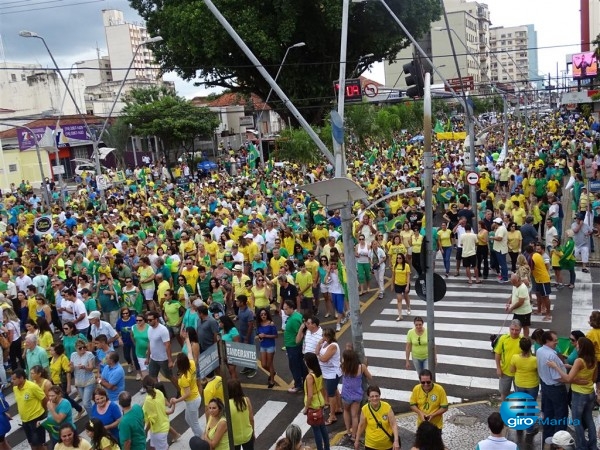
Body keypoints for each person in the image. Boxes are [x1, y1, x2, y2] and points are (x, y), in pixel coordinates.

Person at [547, 337, 597, 450]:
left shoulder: (579, 361)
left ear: (582, 347)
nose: (576, 346)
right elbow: (593, 378)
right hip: (590, 393)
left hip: (579, 395)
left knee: (577, 421)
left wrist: (556, 367)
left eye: (578, 345)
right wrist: (570, 367)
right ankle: (593, 445)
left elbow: (568, 378)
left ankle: (582, 446)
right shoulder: (593, 360)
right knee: (589, 419)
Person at [536, 330, 569, 441]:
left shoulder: (539, 351)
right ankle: (560, 440)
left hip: (545, 386)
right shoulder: (552, 356)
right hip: (556, 388)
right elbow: (558, 377)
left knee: (548, 413)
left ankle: (548, 438)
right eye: (554, 340)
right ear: (547, 341)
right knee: (561, 415)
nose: (557, 342)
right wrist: (567, 378)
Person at [508, 337, 539, 434]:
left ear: (520, 347)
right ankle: (530, 429)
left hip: (519, 384)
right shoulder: (535, 360)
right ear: (530, 347)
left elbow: (512, 370)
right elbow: (539, 372)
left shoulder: (515, 358)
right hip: (532, 384)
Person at [341, 348, 372, 443]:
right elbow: (370, 377)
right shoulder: (361, 367)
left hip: (346, 394)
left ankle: (348, 431)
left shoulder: (343, 367)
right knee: (355, 416)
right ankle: (354, 436)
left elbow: (343, 360)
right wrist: (365, 365)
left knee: (346, 411)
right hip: (357, 395)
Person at [355, 385, 400, 450]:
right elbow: (361, 425)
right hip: (370, 445)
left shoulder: (387, 407)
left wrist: (396, 441)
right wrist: (357, 440)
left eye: (376, 396)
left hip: (387, 445)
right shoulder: (365, 409)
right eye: (372, 396)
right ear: (368, 398)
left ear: (379, 396)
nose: (375, 398)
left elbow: (393, 424)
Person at [12, 368, 47, 450]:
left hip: (36, 419)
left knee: (39, 444)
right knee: (31, 443)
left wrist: (44, 412)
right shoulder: (15, 388)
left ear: (21, 378)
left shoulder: (32, 387)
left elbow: (44, 399)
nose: (12, 381)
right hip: (25, 420)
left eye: (14, 379)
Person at [145, 311, 179, 396]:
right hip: (153, 358)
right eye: (147, 320)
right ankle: (160, 395)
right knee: (153, 377)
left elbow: (167, 345)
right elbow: (150, 343)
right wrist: (148, 358)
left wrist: (170, 360)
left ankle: (180, 390)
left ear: (156, 319)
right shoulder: (149, 329)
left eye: (150, 320)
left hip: (163, 359)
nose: (148, 322)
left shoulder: (163, 330)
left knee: (169, 376)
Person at [170, 351, 203, 438]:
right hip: (194, 399)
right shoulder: (192, 364)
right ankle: (197, 435)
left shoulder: (184, 378)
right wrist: (187, 339)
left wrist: (176, 400)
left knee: (195, 424)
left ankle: (203, 439)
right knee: (187, 419)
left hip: (192, 401)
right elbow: (189, 352)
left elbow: (187, 393)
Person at [303, 352, 330, 450]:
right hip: (320, 402)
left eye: (305, 360)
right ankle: (327, 447)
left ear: (308, 362)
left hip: (313, 405)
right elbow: (321, 387)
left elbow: (310, 395)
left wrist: (306, 408)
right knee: (322, 427)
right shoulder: (318, 372)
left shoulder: (310, 377)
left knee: (316, 430)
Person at [494, 319, 522, 401]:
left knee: (519, 394)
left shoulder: (523, 340)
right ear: (509, 328)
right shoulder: (503, 338)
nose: (514, 332)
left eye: (517, 330)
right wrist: (498, 368)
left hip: (519, 373)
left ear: (520, 330)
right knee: (504, 393)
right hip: (505, 371)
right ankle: (504, 410)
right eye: (512, 329)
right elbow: (497, 353)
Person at [39, 385, 73, 449]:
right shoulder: (51, 402)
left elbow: (58, 420)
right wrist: (42, 422)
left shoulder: (65, 403)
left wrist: (51, 409)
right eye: (49, 396)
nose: (50, 398)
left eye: (53, 396)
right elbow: (51, 417)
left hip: (67, 434)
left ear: (59, 394)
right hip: (55, 434)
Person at [283, 300, 306, 394]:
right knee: (300, 365)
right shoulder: (296, 316)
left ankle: (298, 385)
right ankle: (303, 383)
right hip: (293, 346)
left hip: (294, 346)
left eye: (286, 309)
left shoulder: (293, 319)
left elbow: (300, 333)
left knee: (294, 366)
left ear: (292, 308)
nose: (284, 311)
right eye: (283, 309)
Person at [142, 376, 171, 450]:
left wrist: (146, 431)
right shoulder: (159, 392)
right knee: (153, 446)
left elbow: (152, 420)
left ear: (144, 388)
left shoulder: (148, 400)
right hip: (162, 425)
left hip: (158, 430)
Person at [70, 338, 96, 417]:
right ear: (76, 348)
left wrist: (84, 367)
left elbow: (91, 368)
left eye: (84, 347)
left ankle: (93, 419)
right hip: (79, 382)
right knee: (87, 402)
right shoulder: (73, 355)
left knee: (85, 403)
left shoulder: (89, 354)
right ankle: (94, 415)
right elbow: (71, 369)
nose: (82, 349)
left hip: (89, 380)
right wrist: (70, 367)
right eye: (80, 348)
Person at [228, 379, 255, 450]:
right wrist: (253, 432)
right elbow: (251, 419)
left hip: (234, 438)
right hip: (247, 435)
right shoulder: (246, 400)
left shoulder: (227, 404)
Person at [256, 308, 277, 388]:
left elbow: (276, 335)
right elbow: (258, 334)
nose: (263, 316)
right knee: (263, 364)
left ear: (267, 315)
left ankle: (272, 381)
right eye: (261, 314)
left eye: (265, 314)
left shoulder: (271, 324)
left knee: (269, 364)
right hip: (263, 346)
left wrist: (265, 336)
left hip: (270, 346)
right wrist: (260, 337)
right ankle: (273, 373)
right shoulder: (259, 324)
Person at [391, 253, 410, 321]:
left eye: (400, 258)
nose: (398, 259)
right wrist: (392, 284)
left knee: (406, 297)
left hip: (405, 284)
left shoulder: (406, 266)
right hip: (397, 284)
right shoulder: (394, 266)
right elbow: (393, 276)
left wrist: (407, 286)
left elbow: (408, 276)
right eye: (397, 258)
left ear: (403, 259)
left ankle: (408, 307)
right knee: (399, 299)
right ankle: (400, 315)